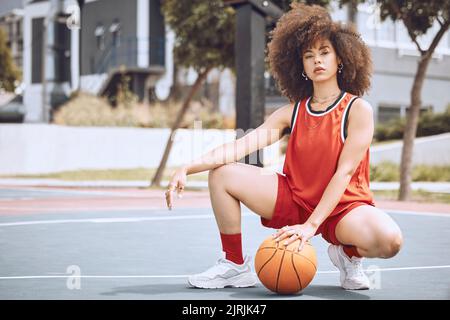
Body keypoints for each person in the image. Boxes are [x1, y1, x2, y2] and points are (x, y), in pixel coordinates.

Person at [165, 3, 403, 290]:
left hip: (342, 208)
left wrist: (311, 227)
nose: (317, 60)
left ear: (341, 58)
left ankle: (346, 254)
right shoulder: (291, 112)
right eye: (309, 55)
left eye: (325, 52)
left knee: (390, 240)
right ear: (300, 66)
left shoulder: (357, 110)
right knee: (222, 173)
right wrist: (187, 168)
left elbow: (344, 172)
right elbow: (241, 145)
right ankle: (234, 264)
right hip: (295, 197)